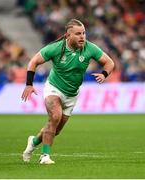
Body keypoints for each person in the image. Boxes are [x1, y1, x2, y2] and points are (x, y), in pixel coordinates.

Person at [21, 19, 114, 165]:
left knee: (55, 130)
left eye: (83, 33)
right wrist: (28, 84)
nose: (82, 36)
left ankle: (33, 141)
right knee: (55, 116)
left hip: (72, 94)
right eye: (78, 34)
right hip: (54, 88)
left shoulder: (90, 48)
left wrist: (104, 74)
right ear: (68, 35)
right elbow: (33, 62)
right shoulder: (56, 48)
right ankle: (44, 156)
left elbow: (109, 62)